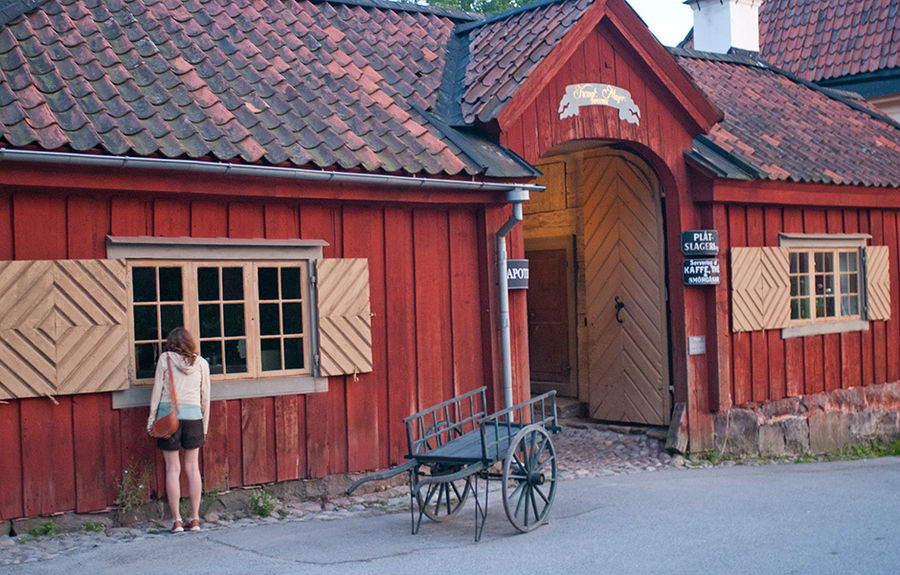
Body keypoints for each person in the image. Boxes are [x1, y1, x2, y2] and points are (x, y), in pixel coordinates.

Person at [147, 327, 211, 533]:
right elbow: (205, 397)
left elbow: (157, 392)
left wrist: (151, 420)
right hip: (194, 418)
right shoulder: (202, 363)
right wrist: (205, 424)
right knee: (193, 468)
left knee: (172, 469)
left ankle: (177, 521)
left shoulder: (165, 359)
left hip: (169, 418)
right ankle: (195, 519)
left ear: (170, 343)